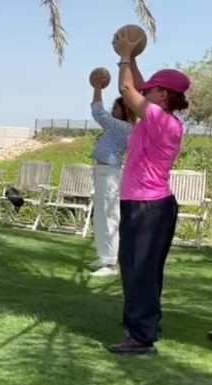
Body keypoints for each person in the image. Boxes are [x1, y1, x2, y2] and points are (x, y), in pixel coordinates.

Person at [108, 31, 190, 355]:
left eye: (152, 89)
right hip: (148, 205)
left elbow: (127, 89)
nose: (146, 91)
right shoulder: (156, 116)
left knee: (139, 269)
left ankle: (141, 339)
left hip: (148, 206)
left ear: (164, 96)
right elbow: (137, 85)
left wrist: (125, 56)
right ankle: (142, 324)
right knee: (141, 269)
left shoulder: (160, 120)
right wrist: (135, 57)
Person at [89, 84, 136, 277]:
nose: (112, 111)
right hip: (103, 171)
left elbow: (99, 114)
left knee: (109, 216)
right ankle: (104, 257)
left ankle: (110, 263)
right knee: (101, 216)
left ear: (124, 110)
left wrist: (97, 87)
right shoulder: (116, 128)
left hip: (109, 173)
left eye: (116, 108)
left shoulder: (123, 127)